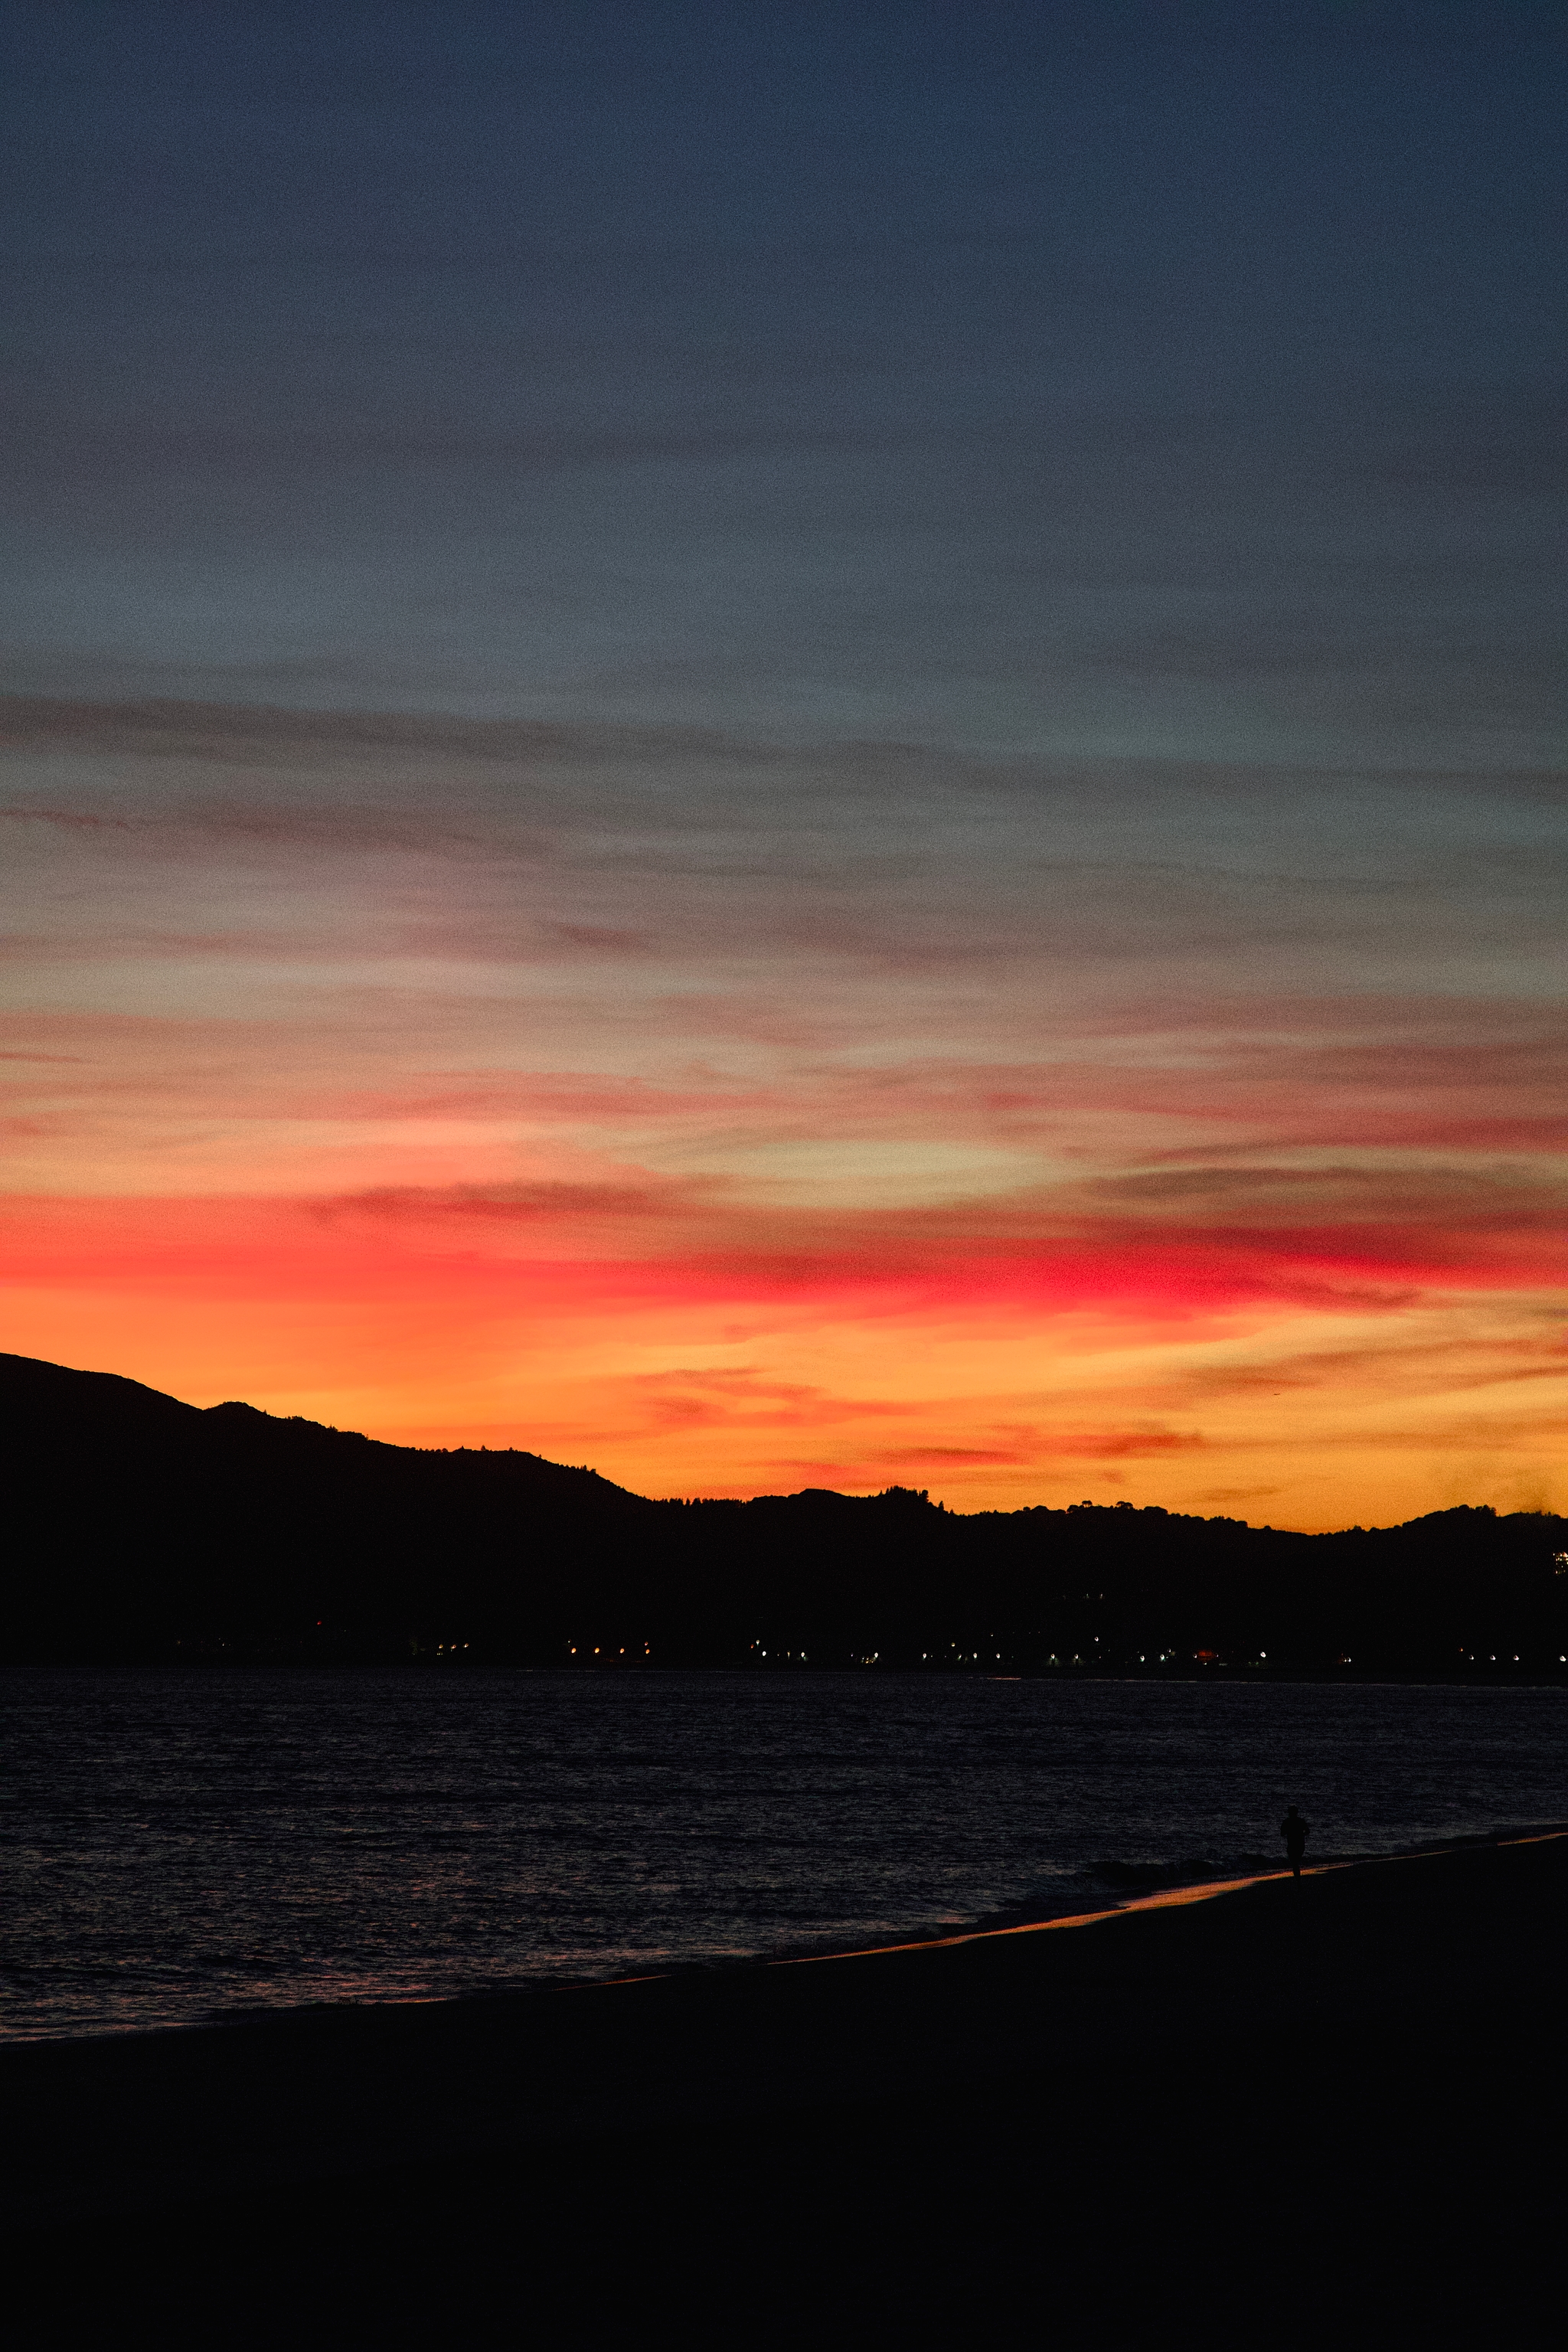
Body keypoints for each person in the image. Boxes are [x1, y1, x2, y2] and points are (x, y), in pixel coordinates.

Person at [1280, 1805, 1309, 1879]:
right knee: (1295, 1862)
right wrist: (1301, 1834)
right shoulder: (1301, 1821)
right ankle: (1297, 1879)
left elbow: (1282, 1833)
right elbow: (1307, 1831)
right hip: (1300, 1844)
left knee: (1294, 1863)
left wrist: (1290, 1831)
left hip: (1293, 1844)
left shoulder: (1287, 1822)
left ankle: (1297, 1879)